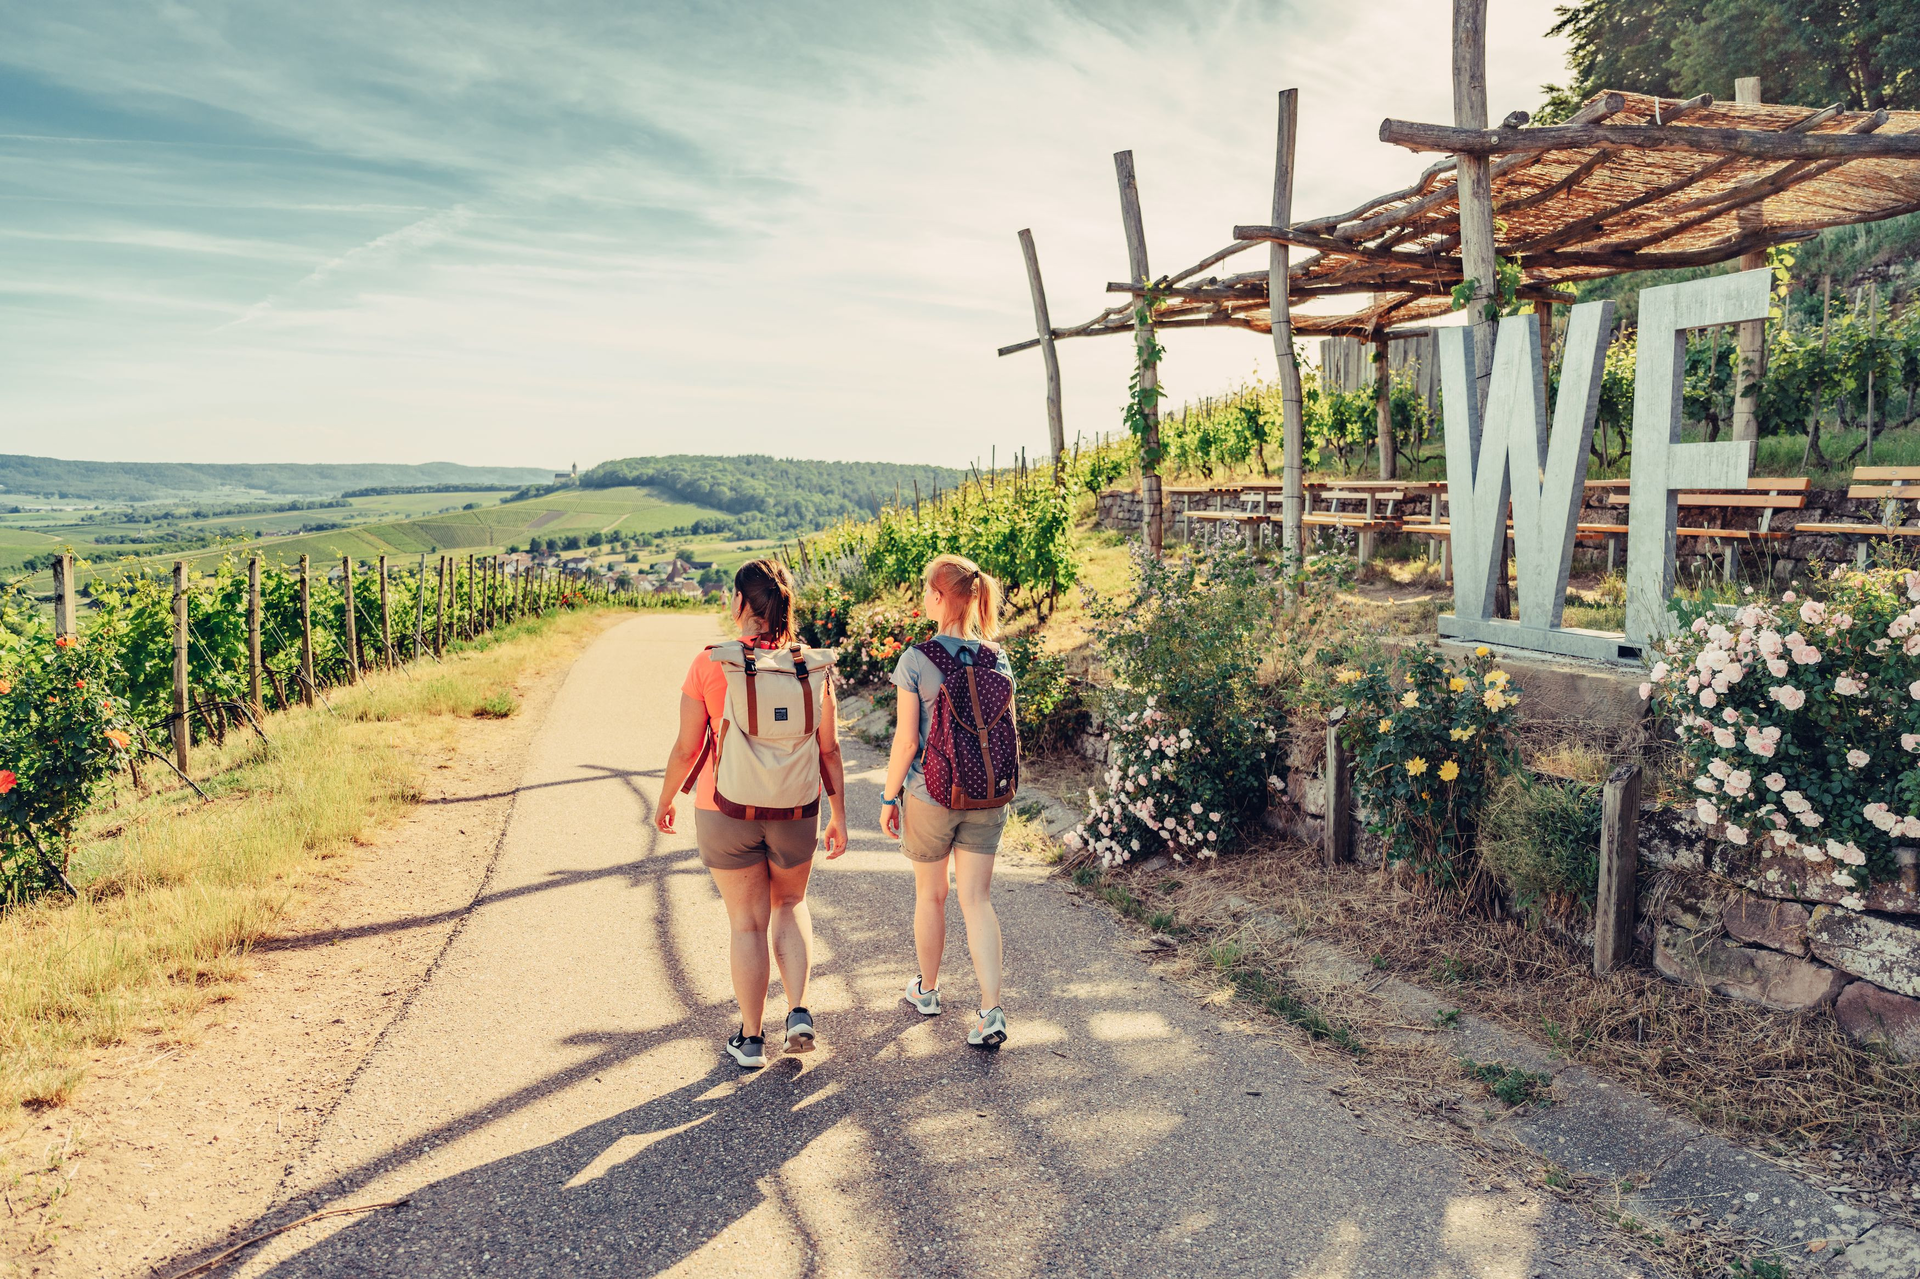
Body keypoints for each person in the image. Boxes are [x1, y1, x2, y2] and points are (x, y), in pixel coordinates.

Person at [658, 559, 848, 1068]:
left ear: (741, 602)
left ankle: (751, 1039)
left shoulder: (711, 662)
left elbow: (686, 747)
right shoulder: (812, 666)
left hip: (724, 809)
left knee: (746, 923)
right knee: (791, 903)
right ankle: (799, 1012)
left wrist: (666, 798)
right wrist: (838, 815)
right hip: (796, 808)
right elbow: (829, 750)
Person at [881, 553, 1015, 1049]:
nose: (923, 596)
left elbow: (906, 743)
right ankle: (991, 1009)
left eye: (926, 589)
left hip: (931, 794)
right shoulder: (997, 657)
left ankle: (928, 991)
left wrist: (889, 797)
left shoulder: (916, 660)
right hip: (987, 795)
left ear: (939, 596)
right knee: (977, 899)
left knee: (931, 894)